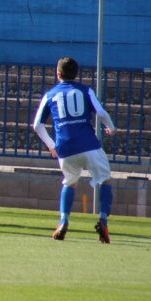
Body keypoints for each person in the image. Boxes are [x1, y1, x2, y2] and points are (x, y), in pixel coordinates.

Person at [32, 56, 116, 243]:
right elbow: (101, 113)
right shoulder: (85, 90)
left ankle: (63, 220)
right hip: (89, 145)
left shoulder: (51, 94)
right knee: (106, 180)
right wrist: (111, 126)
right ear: (76, 74)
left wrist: (51, 145)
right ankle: (103, 219)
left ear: (58, 74)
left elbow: (37, 125)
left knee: (70, 182)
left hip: (65, 148)